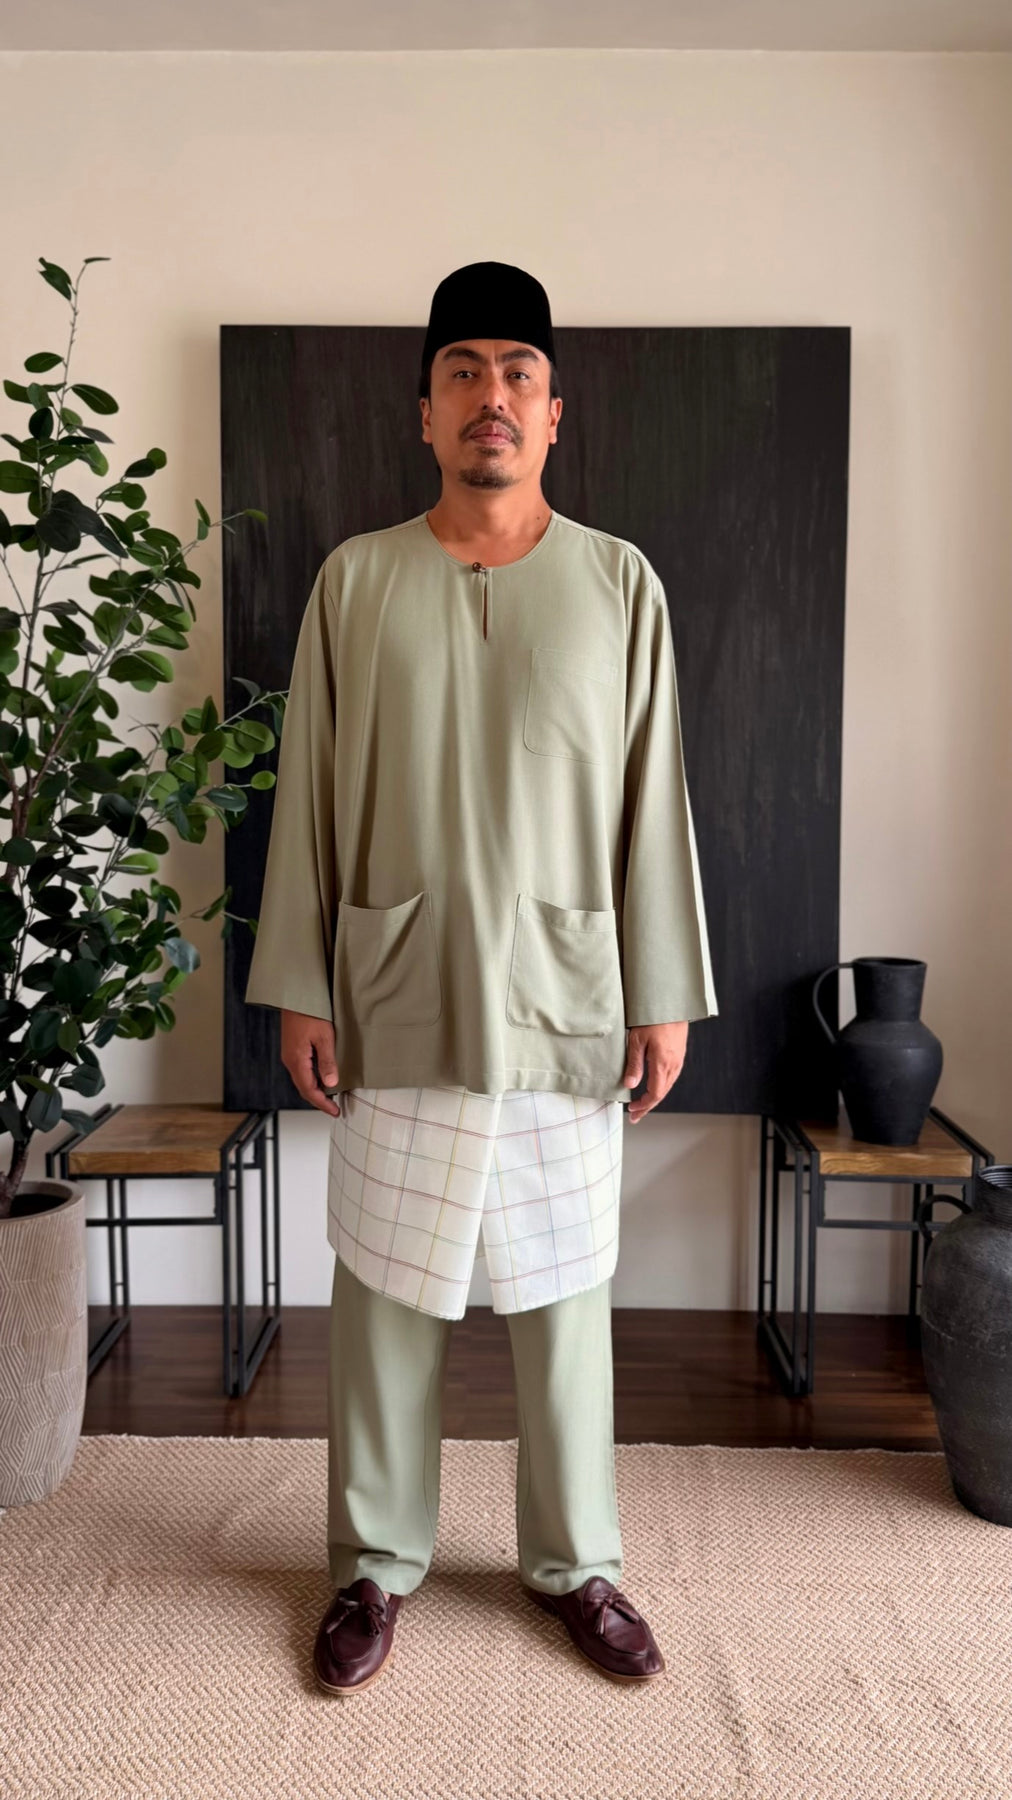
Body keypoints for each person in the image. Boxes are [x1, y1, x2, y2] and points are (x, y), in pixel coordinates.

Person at [244, 260, 718, 1696]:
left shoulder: (619, 582)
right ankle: (374, 1563)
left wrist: (662, 989)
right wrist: (302, 982)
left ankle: (575, 1563)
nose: (491, 396)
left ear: (554, 413)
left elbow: (654, 801)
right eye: (463, 371)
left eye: (518, 372)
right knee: (388, 1287)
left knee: (567, 1292)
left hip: (568, 988)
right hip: (395, 982)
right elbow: (309, 792)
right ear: (426, 410)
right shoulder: (356, 580)